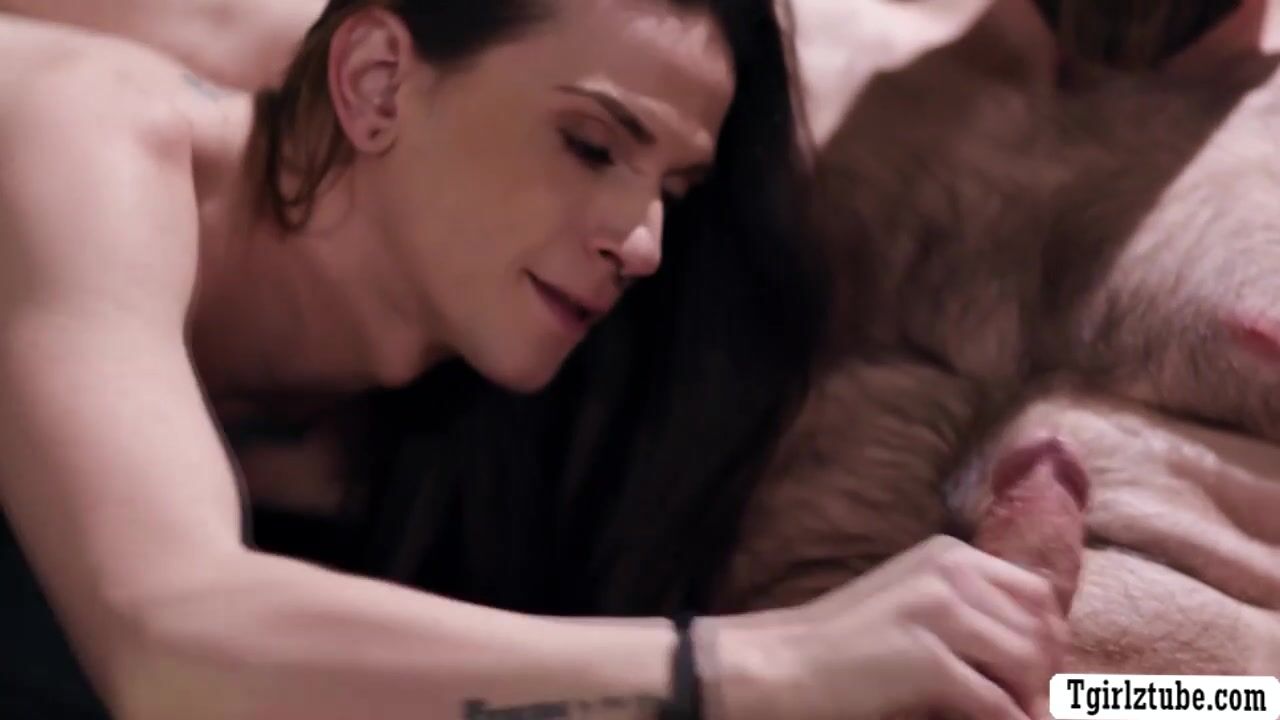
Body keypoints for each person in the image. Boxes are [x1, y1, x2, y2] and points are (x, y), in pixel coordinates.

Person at [0, 1, 1068, 719]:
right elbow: (169, 642)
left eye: (673, 191)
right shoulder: (77, 135)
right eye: (590, 146)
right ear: (375, 84)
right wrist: (766, 664)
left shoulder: (491, 425)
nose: (642, 246)